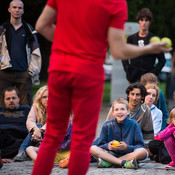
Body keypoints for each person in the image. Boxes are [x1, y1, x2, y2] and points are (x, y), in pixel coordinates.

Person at [32, 0, 171, 174]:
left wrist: (68, 44)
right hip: (88, 73)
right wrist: (150, 48)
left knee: (52, 137)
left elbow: (42, 25)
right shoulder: (114, 3)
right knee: (82, 141)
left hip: (60, 68)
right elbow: (118, 50)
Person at [0, 0, 42, 106]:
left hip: (24, 73)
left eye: (19, 8)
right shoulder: (2, 29)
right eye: (14, 7)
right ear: (9, 10)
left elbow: (36, 52)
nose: (17, 10)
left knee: (26, 105)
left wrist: (31, 72)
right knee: (2, 104)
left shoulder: (29, 30)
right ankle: (4, 123)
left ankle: (26, 123)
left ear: (23, 11)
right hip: (5, 72)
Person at [90, 98, 147, 169]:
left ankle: (110, 163)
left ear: (128, 111)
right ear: (113, 112)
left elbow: (140, 146)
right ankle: (123, 163)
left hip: (128, 154)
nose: (119, 112)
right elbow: (100, 145)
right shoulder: (107, 125)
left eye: (122, 109)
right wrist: (108, 146)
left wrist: (127, 147)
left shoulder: (134, 125)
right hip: (110, 154)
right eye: (117, 110)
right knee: (93, 148)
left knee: (143, 152)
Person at [122, 8, 166, 83]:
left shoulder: (155, 39)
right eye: (142, 20)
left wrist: (153, 74)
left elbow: (162, 60)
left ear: (150, 22)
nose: (144, 23)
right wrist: (127, 69)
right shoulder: (131, 39)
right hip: (133, 77)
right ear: (138, 21)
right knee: (133, 95)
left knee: (149, 95)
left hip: (149, 80)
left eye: (146, 20)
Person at [14, 85, 48, 161]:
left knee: (38, 125)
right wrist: (36, 129)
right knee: (37, 125)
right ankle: (23, 152)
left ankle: (22, 151)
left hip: (51, 135)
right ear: (40, 99)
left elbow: (52, 122)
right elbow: (30, 121)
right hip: (37, 136)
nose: (47, 99)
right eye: (44, 97)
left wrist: (39, 130)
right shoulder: (36, 106)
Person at [0, 87, 30, 162]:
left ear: (19, 99)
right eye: (8, 99)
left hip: (17, 138)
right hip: (2, 137)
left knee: (23, 144)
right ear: (4, 100)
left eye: (14, 98)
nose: (11, 101)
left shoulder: (27, 110)